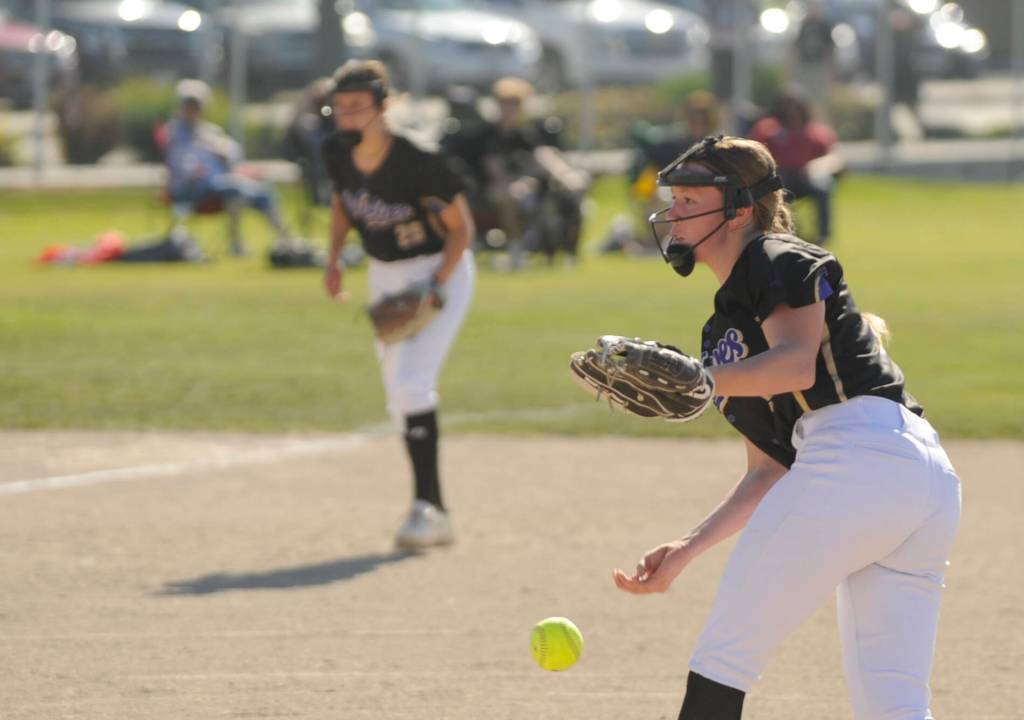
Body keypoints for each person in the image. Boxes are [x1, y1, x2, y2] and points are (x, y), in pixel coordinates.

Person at [621, 135, 961, 719]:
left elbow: (797, 361)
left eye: (688, 200)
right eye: (672, 200)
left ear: (739, 209)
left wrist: (701, 379)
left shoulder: (778, 256)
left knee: (721, 665)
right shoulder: (725, 327)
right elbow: (769, 470)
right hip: (916, 481)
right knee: (893, 703)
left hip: (856, 460)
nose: (672, 213)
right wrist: (688, 547)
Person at [320, 59, 476, 549]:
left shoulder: (418, 161)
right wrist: (334, 260)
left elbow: (461, 231)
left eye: (356, 108)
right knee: (398, 397)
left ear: (383, 108)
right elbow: (344, 202)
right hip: (385, 275)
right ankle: (433, 512)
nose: (346, 117)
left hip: (437, 270)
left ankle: (429, 509)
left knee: (412, 383)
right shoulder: (336, 152)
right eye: (338, 108)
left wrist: (436, 285)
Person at [164, 79, 294, 257]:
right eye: (189, 105)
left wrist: (230, 162)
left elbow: (234, 155)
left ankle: (288, 241)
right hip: (190, 189)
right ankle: (236, 244)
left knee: (263, 191)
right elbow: (183, 165)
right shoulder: (174, 133)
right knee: (235, 189)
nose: (193, 110)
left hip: (220, 186)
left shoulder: (211, 132)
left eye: (197, 106)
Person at [749, 88, 842, 245]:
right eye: (788, 107)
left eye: (797, 108)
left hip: (807, 177)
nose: (793, 113)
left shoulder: (817, 132)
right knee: (777, 189)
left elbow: (834, 157)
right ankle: (785, 229)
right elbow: (754, 152)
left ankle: (823, 235)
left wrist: (817, 166)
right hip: (780, 177)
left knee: (824, 187)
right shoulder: (768, 128)